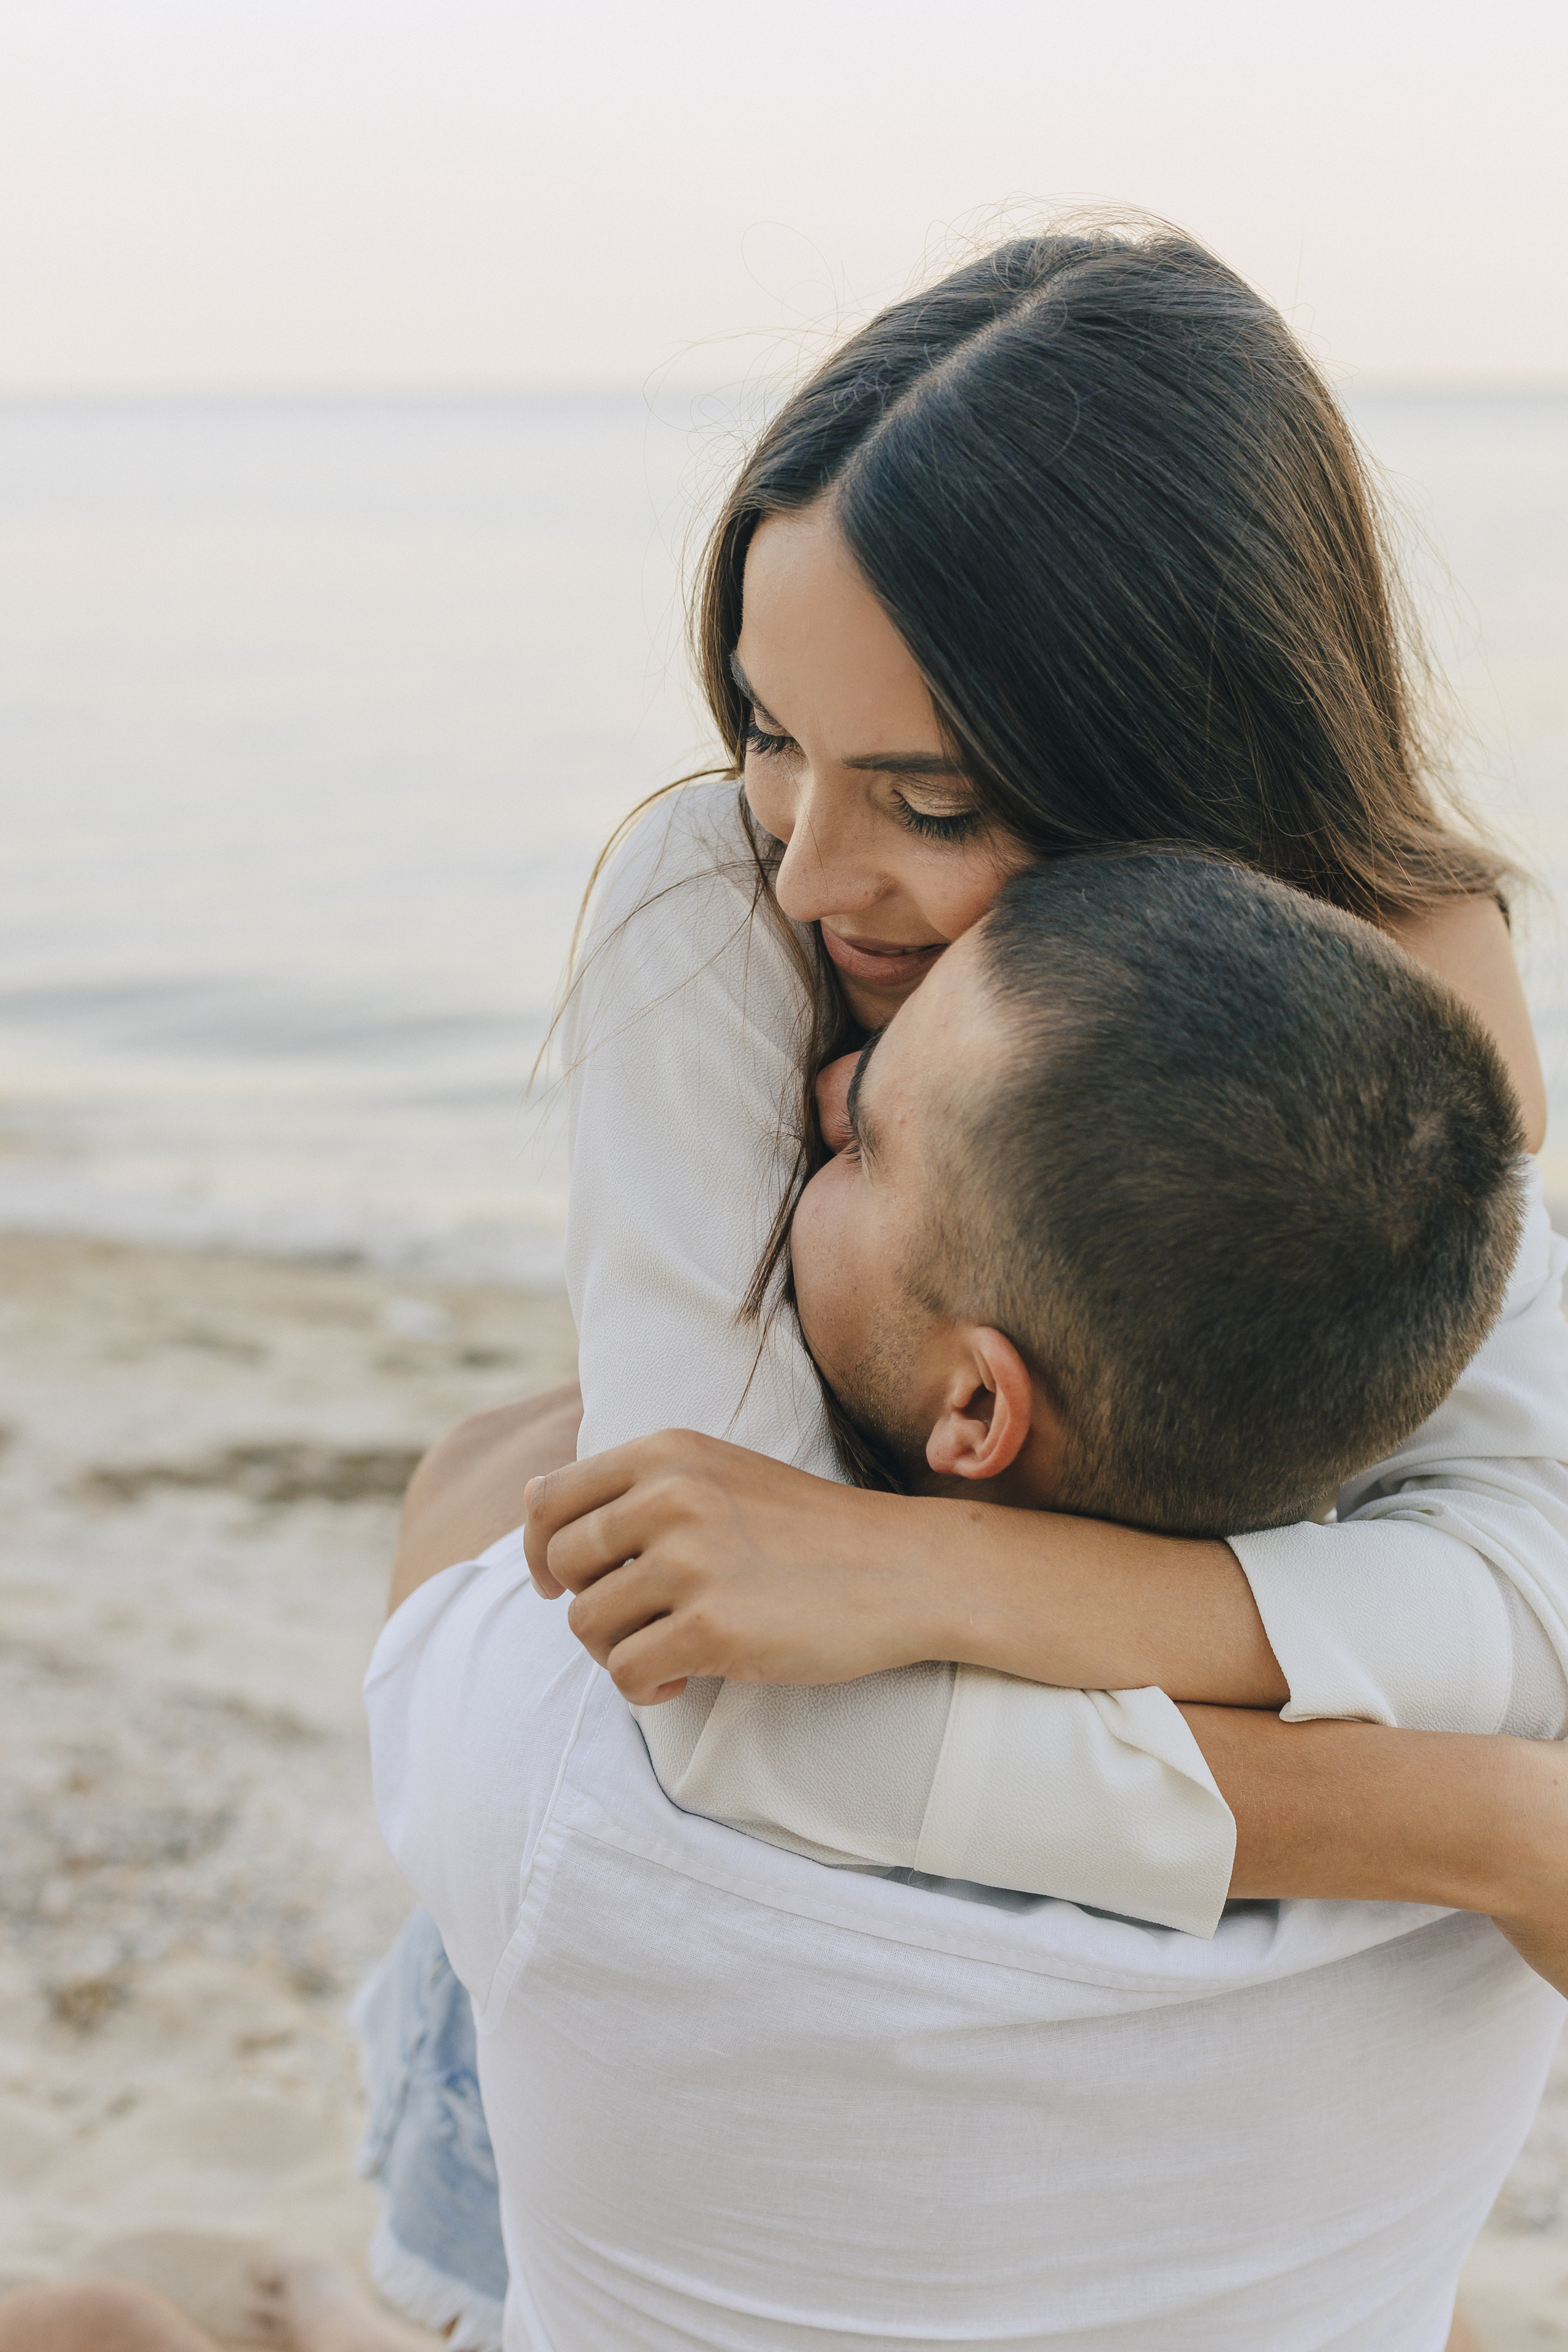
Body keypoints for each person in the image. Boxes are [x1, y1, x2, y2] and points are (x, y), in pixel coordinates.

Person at [360, 219, 1568, 2346]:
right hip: (676, 2032)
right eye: (765, 729)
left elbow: (1527, 1599)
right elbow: (727, 1690)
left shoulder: (1412, 1005)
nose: (813, 869)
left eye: (931, 794)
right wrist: (1465, 1829)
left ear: (1177, 766)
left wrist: (930, 1578)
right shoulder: (714, 912)